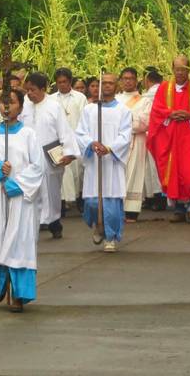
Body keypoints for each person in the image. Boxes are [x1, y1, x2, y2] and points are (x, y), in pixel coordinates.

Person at [0, 88, 44, 313]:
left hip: (21, 197)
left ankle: (18, 294)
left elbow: (38, 166)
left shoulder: (29, 135)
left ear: (21, 107)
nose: (6, 107)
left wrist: (18, 184)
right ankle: (2, 277)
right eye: (3, 102)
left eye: (12, 102)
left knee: (19, 241)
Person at [148, 55, 190, 223]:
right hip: (170, 137)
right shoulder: (163, 89)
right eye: (177, 69)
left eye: (184, 69)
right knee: (172, 171)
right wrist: (170, 114)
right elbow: (156, 110)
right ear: (173, 70)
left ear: (189, 70)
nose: (180, 73)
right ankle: (178, 208)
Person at [77, 72, 132, 251]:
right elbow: (80, 133)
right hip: (95, 162)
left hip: (112, 162)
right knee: (93, 201)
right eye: (104, 83)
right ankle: (98, 225)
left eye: (110, 83)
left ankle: (111, 237)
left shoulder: (123, 111)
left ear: (116, 86)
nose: (107, 86)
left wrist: (109, 148)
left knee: (112, 202)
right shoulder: (89, 110)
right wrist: (91, 143)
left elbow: (125, 135)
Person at [20, 72, 79, 239]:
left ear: (43, 89)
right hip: (29, 158)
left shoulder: (54, 107)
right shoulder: (24, 107)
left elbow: (64, 131)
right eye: (27, 90)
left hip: (50, 157)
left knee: (51, 192)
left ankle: (54, 222)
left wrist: (68, 153)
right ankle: (34, 224)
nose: (30, 93)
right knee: (31, 191)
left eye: (33, 90)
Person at [116, 67, 151, 222]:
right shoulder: (114, 100)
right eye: (124, 78)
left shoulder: (144, 100)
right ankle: (117, 208)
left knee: (134, 172)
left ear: (137, 80)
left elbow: (146, 121)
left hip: (136, 140)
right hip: (117, 142)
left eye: (130, 78)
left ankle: (131, 210)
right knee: (117, 174)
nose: (127, 81)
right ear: (120, 80)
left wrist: (126, 120)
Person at [51, 67, 88, 209]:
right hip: (57, 141)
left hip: (76, 139)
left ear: (70, 81)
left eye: (65, 82)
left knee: (77, 172)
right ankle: (60, 204)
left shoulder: (80, 98)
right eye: (59, 82)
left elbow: (84, 119)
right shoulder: (51, 99)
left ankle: (79, 200)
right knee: (62, 172)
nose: (62, 85)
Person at [142, 68, 165, 211]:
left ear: (148, 80)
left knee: (150, 167)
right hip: (165, 132)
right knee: (161, 166)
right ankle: (161, 197)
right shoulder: (166, 93)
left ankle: (154, 197)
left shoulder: (145, 97)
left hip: (149, 132)